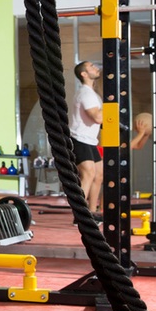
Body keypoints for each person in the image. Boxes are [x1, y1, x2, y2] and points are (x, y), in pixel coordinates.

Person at [69, 61, 103, 218]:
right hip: (78, 138)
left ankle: (92, 212)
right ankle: (80, 216)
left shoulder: (94, 94)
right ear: (83, 74)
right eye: (91, 67)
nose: (96, 68)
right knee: (88, 174)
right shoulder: (85, 93)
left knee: (99, 174)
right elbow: (97, 117)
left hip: (90, 140)